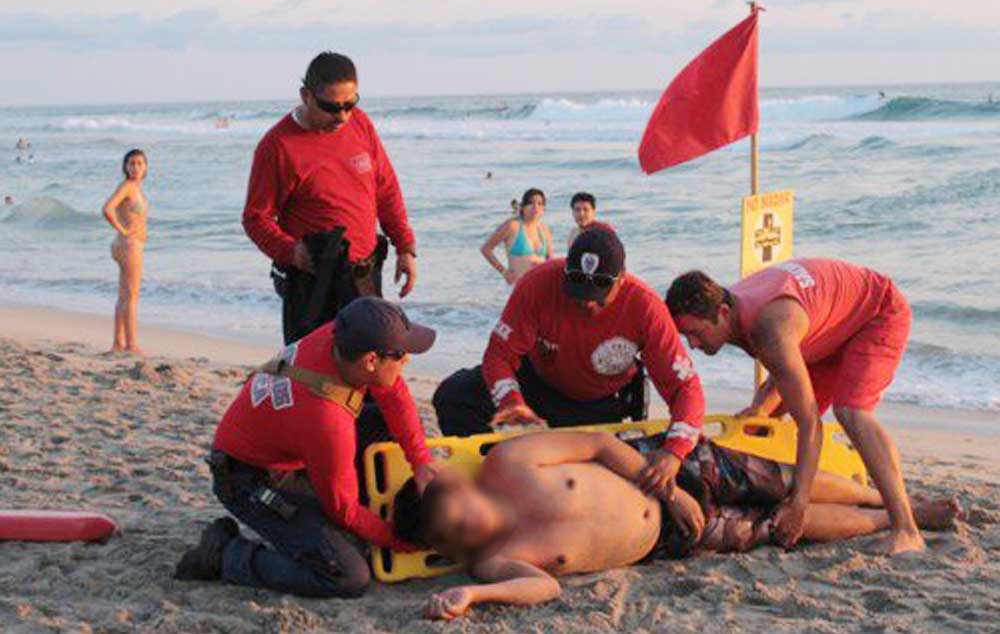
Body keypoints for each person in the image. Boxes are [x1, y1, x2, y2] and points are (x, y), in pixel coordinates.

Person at [393, 430, 960, 620]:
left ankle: (894, 499)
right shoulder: (491, 561)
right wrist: (475, 593)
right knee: (783, 527)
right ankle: (886, 518)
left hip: (666, 470)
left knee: (784, 483)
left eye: (451, 516)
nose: (461, 530)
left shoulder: (507, 464)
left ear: (454, 488)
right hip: (670, 541)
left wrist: (667, 487)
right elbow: (546, 586)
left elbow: (597, 445)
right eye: (446, 538)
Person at [174, 297, 441, 598]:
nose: (407, 360)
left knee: (381, 419)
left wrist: (420, 462)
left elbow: (394, 396)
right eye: (401, 354)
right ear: (370, 360)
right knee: (346, 574)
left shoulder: (343, 335)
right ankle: (226, 554)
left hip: (289, 448)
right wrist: (399, 542)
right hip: (246, 480)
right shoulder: (326, 419)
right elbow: (344, 509)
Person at [665, 259, 922, 555]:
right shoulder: (736, 309)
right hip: (823, 332)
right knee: (761, 424)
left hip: (876, 312)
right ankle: (884, 502)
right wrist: (761, 407)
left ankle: (907, 529)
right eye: (686, 336)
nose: (693, 345)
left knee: (851, 411)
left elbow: (810, 423)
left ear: (723, 312)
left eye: (695, 333)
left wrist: (799, 503)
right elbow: (783, 360)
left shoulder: (768, 327)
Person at [435, 225, 705, 495]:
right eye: (577, 294)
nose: (587, 304)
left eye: (598, 300)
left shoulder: (645, 307)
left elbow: (686, 388)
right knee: (453, 395)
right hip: (537, 381)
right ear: (565, 273)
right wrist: (511, 401)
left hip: (597, 401)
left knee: (588, 484)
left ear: (621, 279)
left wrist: (674, 451)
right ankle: (495, 478)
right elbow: (498, 356)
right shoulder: (538, 283)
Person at [242, 52, 418, 345]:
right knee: (313, 373)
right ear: (306, 95)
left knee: (373, 362)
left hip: (364, 275)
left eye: (350, 104)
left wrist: (405, 247)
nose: (343, 116)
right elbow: (255, 218)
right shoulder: (277, 146)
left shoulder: (360, 124)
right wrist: (291, 251)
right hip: (313, 283)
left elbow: (385, 188)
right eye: (331, 107)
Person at [101, 149, 148, 355]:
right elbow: (107, 209)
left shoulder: (136, 188)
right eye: (131, 164)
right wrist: (123, 230)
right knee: (131, 297)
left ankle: (118, 343)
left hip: (126, 244)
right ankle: (131, 345)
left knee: (123, 296)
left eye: (139, 163)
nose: (135, 167)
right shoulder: (128, 187)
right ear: (125, 167)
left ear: (146, 167)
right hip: (129, 245)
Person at [480, 188, 553, 286]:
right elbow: (486, 249)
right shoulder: (512, 226)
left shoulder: (544, 229)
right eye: (531, 203)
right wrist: (504, 272)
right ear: (523, 206)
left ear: (543, 209)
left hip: (540, 285)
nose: (535, 207)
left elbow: (550, 260)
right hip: (518, 285)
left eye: (540, 204)